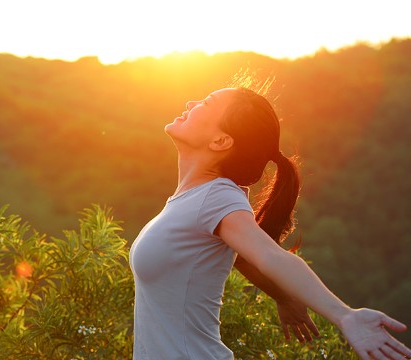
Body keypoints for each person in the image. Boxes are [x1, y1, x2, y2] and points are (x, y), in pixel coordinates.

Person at [128, 85, 411, 360]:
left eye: (206, 103)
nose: (190, 103)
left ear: (221, 141)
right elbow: (241, 257)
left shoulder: (217, 197)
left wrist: (345, 315)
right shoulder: (193, 200)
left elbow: (269, 255)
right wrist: (284, 297)